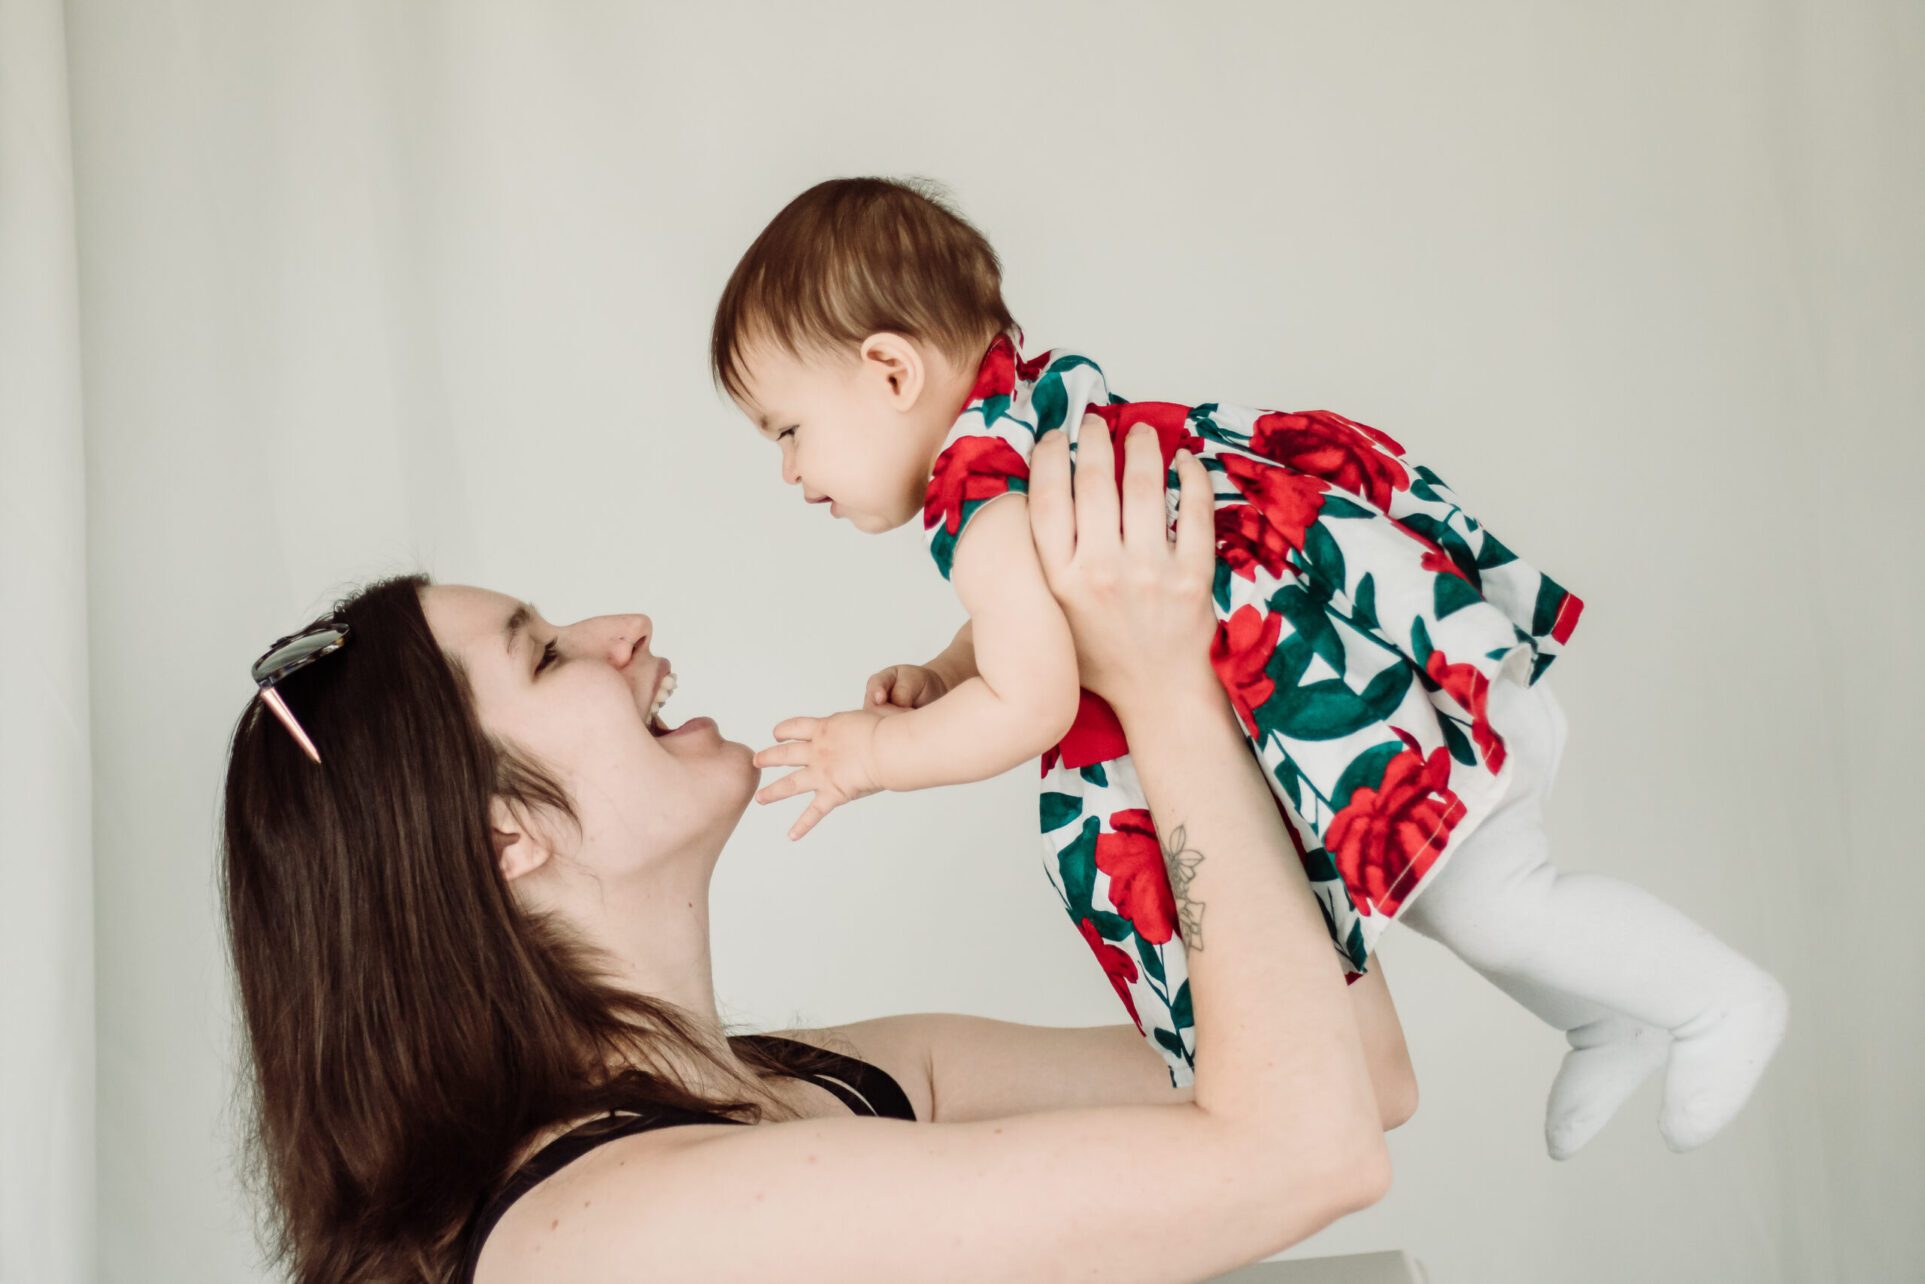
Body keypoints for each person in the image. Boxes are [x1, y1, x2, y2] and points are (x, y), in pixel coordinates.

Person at [708, 176, 1787, 1157]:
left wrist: (879, 756)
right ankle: (1603, 1020)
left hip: (1356, 723)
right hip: (1365, 683)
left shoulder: (975, 507)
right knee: (1465, 902)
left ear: (889, 369)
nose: (792, 470)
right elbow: (1037, 622)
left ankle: (1717, 1003)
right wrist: (944, 678)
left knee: (1499, 902)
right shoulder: (1020, 427)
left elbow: (1032, 698)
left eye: (788, 430)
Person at [219, 423, 1414, 1284]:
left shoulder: (831, 1083)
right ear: (498, 838)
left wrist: (1167, 670)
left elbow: (1353, 1075)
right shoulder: (606, 1231)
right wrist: (1160, 692)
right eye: (542, 655)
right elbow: (1301, 1156)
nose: (621, 631)